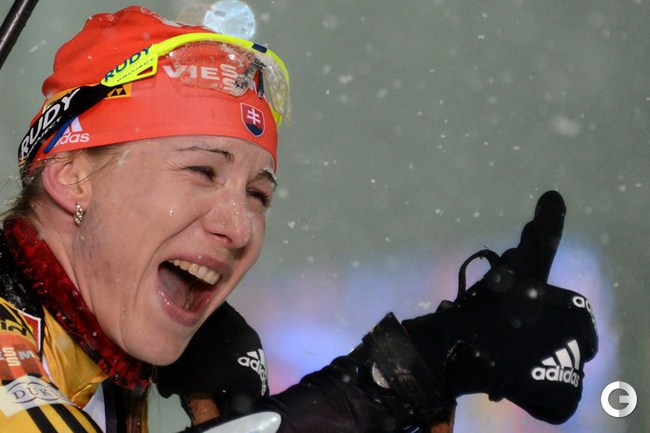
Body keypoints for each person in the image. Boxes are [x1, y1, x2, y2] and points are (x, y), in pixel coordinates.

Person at [0, 5, 597, 433]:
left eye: (258, 195)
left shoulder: (98, 351)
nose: (239, 228)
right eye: (202, 171)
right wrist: (396, 378)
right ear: (71, 176)